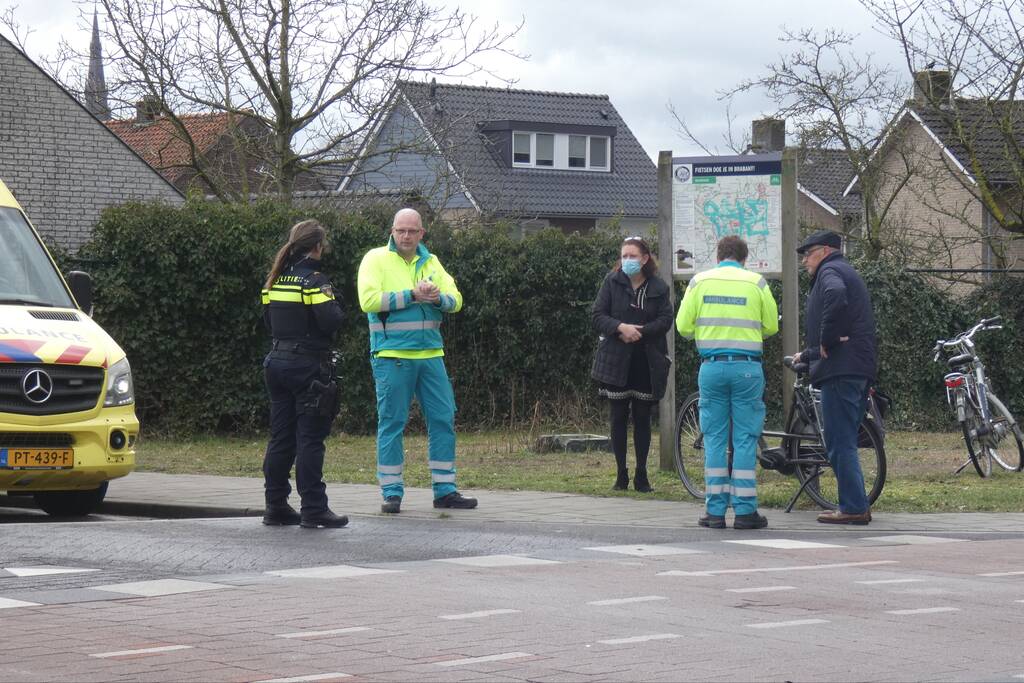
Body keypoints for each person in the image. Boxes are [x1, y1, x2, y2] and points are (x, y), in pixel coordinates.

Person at [357, 208, 477, 514]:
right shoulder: (375, 259)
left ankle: (445, 490)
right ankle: (392, 491)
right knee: (392, 423)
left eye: (412, 231)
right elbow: (368, 300)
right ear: (392, 231)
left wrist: (436, 298)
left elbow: (457, 300)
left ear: (422, 233)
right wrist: (412, 294)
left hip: (431, 355)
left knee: (443, 419)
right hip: (392, 355)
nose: (406, 236)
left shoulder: (432, 261)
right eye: (401, 231)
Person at [676, 235, 778, 529]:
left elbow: (683, 327)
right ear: (744, 258)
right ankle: (745, 512)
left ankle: (715, 512)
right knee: (745, 437)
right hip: (747, 369)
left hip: (712, 368)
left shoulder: (699, 282)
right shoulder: (756, 283)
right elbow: (770, 326)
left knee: (715, 439)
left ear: (718, 256)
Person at [260, 219, 348, 529]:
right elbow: (331, 321)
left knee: (281, 437)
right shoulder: (313, 281)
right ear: (318, 246)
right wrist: (337, 300)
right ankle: (313, 507)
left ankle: (275, 505)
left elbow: (268, 322)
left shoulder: (274, 280)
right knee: (310, 439)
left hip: (276, 362)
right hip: (308, 366)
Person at [793, 230, 878, 525]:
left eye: (808, 253)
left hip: (842, 370)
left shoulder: (831, 272)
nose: (805, 261)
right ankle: (854, 504)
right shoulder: (842, 269)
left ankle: (854, 507)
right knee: (844, 441)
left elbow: (836, 297)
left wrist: (826, 340)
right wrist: (808, 354)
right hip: (853, 365)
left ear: (826, 250)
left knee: (839, 441)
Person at [591, 236, 673, 492]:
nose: (627, 260)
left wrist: (642, 332)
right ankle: (620, 473)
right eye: (624, 256)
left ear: (645, 258)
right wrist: (620, 328)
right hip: (616, 359)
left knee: (642, 417)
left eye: (632, 256)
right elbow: (597, 315)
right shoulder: (611, 282)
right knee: (617, 416)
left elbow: (666, 319)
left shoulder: (659, 287)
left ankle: (641, 473)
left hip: (647, 361)